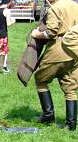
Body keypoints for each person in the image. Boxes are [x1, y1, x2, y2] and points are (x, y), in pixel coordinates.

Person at [31, 0, 78, 131]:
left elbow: (50, 32)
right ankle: (71, 124)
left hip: (58, 49)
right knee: (70, 88)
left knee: (40, 79)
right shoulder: (75, 5)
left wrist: (36, 34)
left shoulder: (55, 8)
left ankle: (48, 115)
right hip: (74, 50)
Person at [0, 0, 15, 75]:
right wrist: (13, 21)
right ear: (8, 3)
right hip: (3, 34)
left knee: (5, 50)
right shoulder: (6, 11)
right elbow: (8, 23)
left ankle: (4, 67)